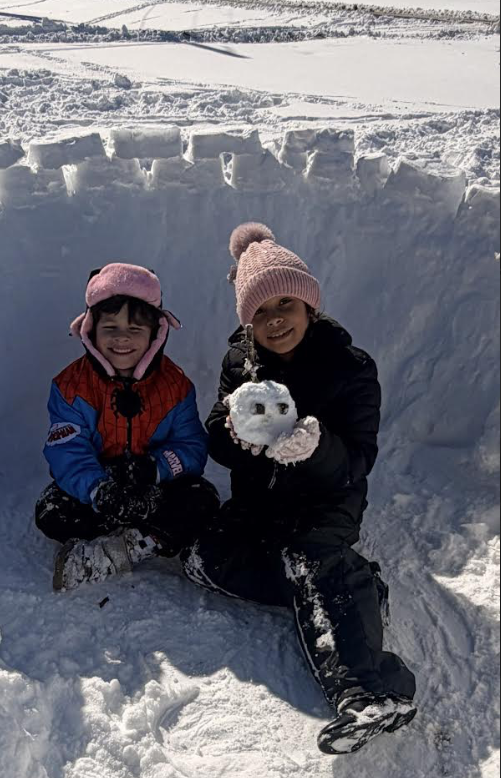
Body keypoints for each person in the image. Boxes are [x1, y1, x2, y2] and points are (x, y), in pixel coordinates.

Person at [182, 223, 417, 756]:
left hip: (325, 502)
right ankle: (351, 589)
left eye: (285, 302)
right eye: (260, 312)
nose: (275, 320)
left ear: (310, 305)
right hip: (259, 505)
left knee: (307, 555)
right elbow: (217, 439)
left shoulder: (352, 369)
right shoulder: (238, 364)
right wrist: (236, 432)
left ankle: (370, 691)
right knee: (202, 558)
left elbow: (358, 461)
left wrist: (315, 447)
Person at [35, 263, 219, 591]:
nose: (122, 338)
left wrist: (154, 470)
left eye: (135, 329)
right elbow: (67, 449)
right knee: (52, 511)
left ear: (155, 334)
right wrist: (100, 490)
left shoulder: (176, 386)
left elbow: (192, 446)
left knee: (201, 500)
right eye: (111, 327)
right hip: (100, 489)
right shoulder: (70, 387)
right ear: (91, 331)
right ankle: (124, 525)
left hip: (152, 486)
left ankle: (128, 547)